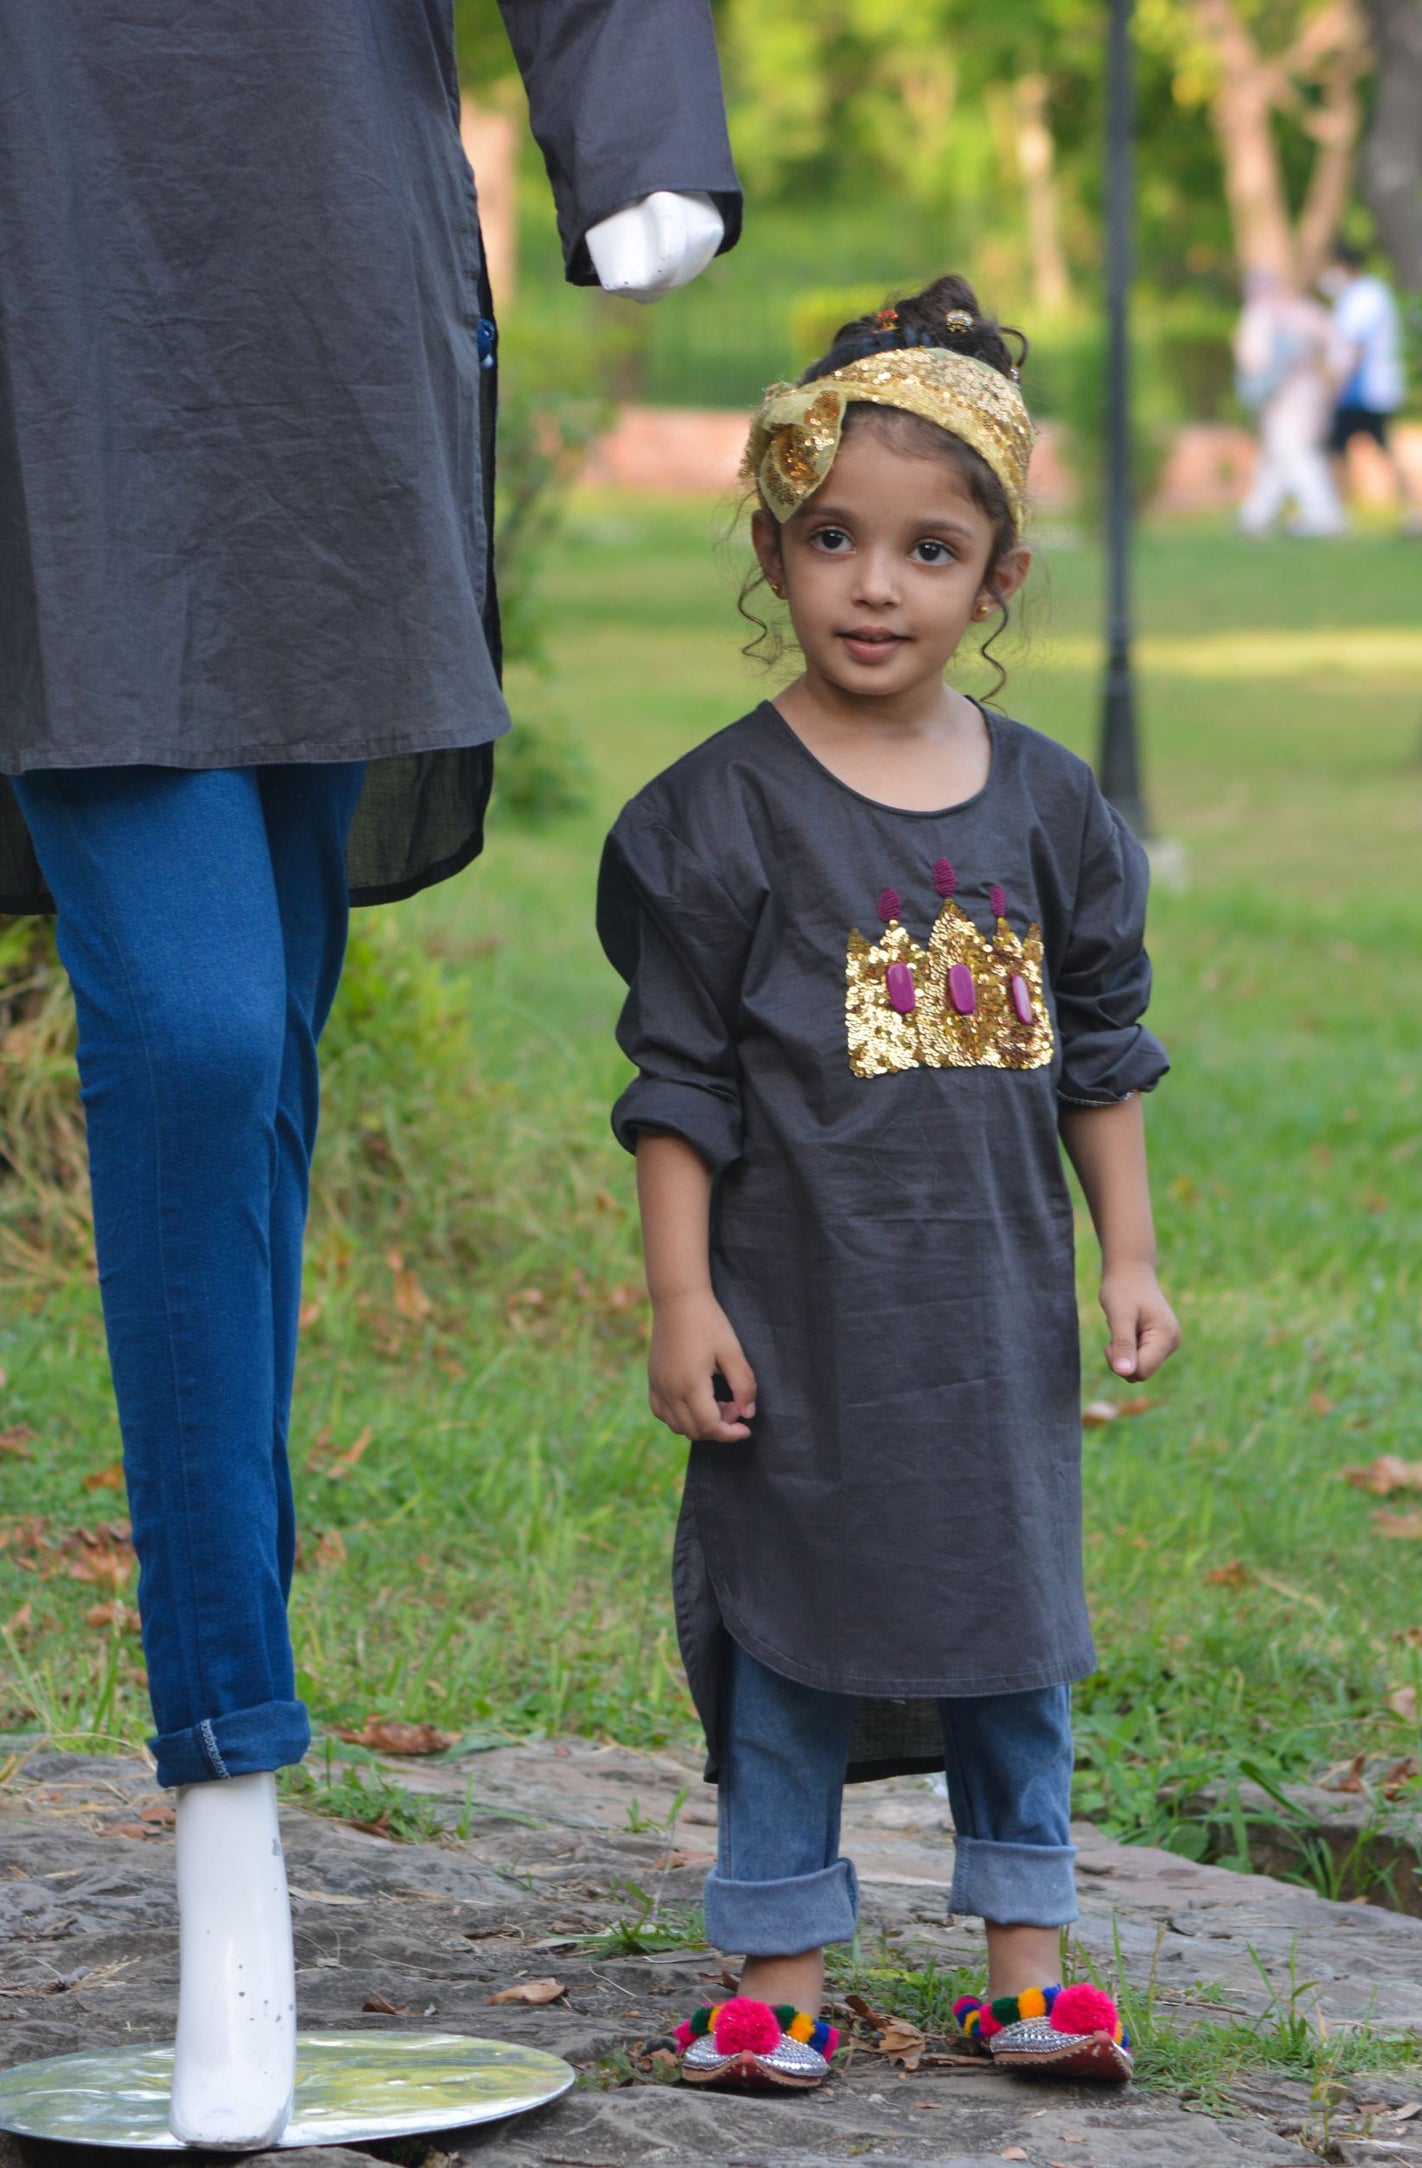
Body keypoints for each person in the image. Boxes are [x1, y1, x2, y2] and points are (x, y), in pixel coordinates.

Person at [0, 0, 739, 2147]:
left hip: (326, 320)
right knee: (202, 1041)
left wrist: (630, 137)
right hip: (51, 315)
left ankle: (238, 1769)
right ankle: (225, 1770)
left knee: (269, 1062)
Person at [598, 277, 1182, 2095]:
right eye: (835, 539)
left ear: (994, 582)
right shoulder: (715, 818)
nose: (875, 584)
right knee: (793, 1622)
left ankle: (1031, 1963)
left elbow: (1100, 1048)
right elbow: (679, 1085)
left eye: (930, 551)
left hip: (989, 1316)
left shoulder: (1053, 814)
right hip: (800, 1313)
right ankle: (781, 1961)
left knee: (1015, 1622)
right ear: (774, 545)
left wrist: (1132, 1256)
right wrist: (682, 1295)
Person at [1321, 241, 1422, 535]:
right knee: (1362, 449)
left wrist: (1333, 385)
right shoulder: (1367, 294)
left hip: (1361, 389)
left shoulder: (1363, 297)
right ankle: (1410, 513)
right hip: (1367, 388)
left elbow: (1354, 348)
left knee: (1343, 450)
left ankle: (1335, 515)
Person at [1234, 269, 1345, 539]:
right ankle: (1255, 515)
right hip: (1291, 396)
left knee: (1295, 454)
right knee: (1280, 455)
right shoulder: (1296, 312)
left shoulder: (1272, 314)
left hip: (1290, 398)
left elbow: (1252, 359)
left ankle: (1323, 516)